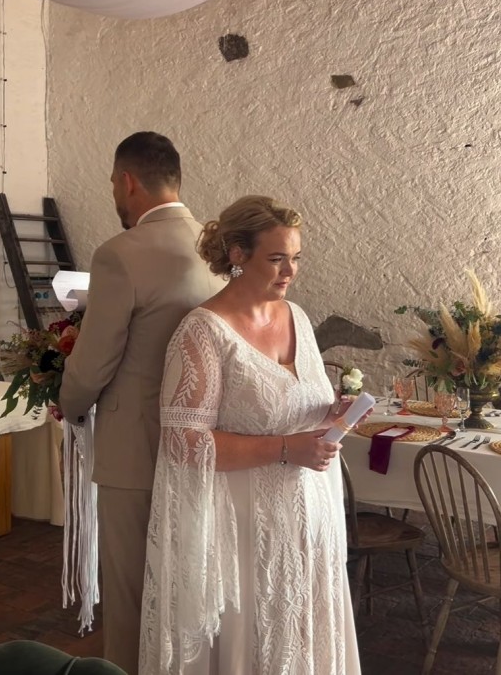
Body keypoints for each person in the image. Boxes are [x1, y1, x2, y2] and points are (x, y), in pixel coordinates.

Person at [139, 195, 361, 675]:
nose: (290, 271)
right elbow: (184, 442)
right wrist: (285, 449)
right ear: (238, 254)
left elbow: (292, 404)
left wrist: (332, 413)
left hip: (311, 513)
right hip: (245, 526)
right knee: (256, 642)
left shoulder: (296, 316)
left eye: (296, 257)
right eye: (277, 258)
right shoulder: (202, 332)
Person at [59, 131, 222, 675]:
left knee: (131, 590)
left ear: (128, 181)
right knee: (187, 584)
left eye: (113, 182)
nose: (114, 192)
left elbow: (94, 363)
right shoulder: (217, 248)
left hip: (136, 449)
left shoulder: (120, 254)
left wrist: (69, 403)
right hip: (204, 447)